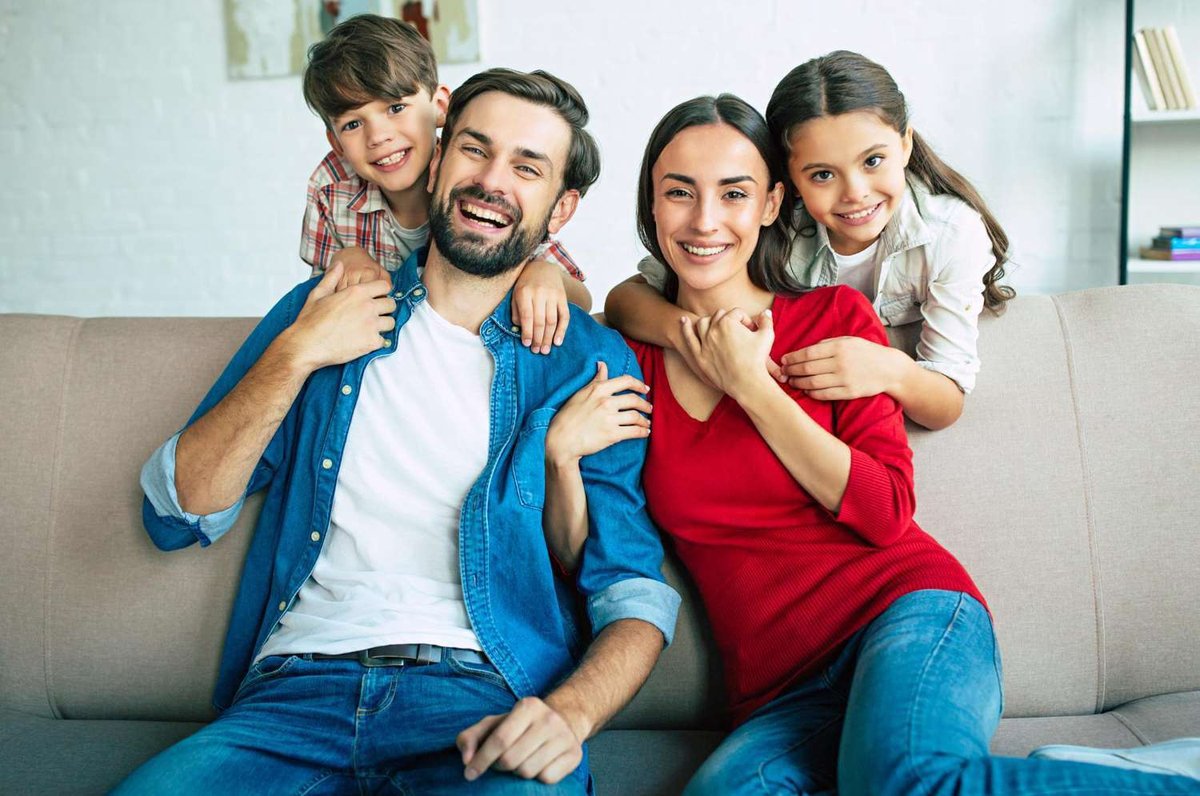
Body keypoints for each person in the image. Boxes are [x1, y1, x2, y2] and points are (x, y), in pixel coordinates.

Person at [546, 93, 1200, 794]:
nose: (705, 220)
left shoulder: (831, 317)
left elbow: (885, 509)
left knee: (904, 780)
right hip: (782, 694)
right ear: (651, 209)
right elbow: (594, 555)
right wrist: (561, 459)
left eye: (733, 193)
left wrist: (752, 387)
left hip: (908, 617)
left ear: (769, 205)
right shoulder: (629, 360)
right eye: (680, 193)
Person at [119, 68, 680, 795]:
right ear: (439, 159)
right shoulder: (325, 306)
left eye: (527, 167)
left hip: (484, 697)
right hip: (292, 697)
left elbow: (632, 592)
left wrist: (568, 715)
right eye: (475, 151)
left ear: (561, 208)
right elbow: (176, 515)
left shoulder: (587, 360)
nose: (491, 181)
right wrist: (297, 351)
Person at [605, 50, 1014, 430]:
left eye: (873, 161)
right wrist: (693, 334)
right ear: (788, 182)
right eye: (822, 175)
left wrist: (889, 368)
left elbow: (948, 397)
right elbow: (627, 299)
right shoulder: (769, 222)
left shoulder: (949, 233)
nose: (855, 192)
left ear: (904, 144)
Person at [300, 14, 589, 355]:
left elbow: (581, 295)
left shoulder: (470, 183)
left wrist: (545, 274)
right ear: (335, 142)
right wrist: (344, 260)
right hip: (388, 349)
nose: (378, 137)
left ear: (439, 108)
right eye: (352, 124)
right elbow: (313, 303)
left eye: (396, 107)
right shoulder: (330, 187)